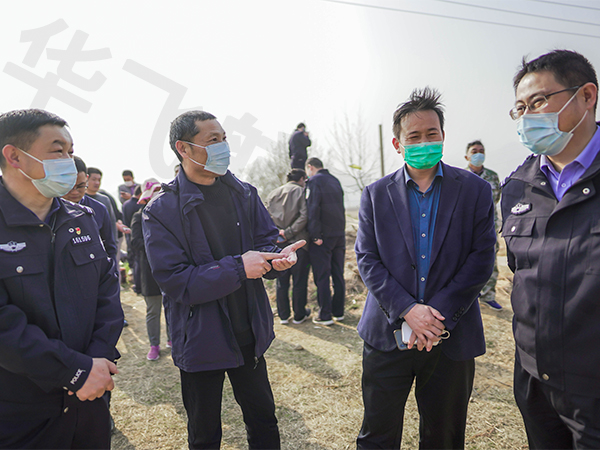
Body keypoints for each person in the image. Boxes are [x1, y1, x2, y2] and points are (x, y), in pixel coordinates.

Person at [142, 110, 305, 449]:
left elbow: (265, 242)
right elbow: (176, 281)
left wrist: (278, 258)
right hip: (200, 339)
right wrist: (239, 268)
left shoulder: (244, 193)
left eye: (224, 139)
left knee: (263, 419)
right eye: (212, 140)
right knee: (204, 433)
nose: (223, 147)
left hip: (248, 331)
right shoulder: (161, 210)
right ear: (183, 148)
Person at [355, 87, 496, 449]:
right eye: (413, 136)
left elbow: (481, 258)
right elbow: (367, 258)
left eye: (431, 134)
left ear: (443, 136)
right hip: (387, 336)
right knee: (377, 436)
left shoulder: (475, 190)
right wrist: (407, 310)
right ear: (397, 143)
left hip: (450, 336)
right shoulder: (375, 194)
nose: (423, 142)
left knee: (444, 437)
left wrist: (436, 315)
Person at [0, 109, 123, 448]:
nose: (69, 161)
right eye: (58, 151)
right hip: (21, 411)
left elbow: (107, 293)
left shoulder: (83, 218)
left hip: (91, 400)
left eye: (71, 151)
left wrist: (96, 364)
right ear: (14, 157)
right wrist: (73, 371)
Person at [502, 49, 600, 449]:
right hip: (535, 383)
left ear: (587, 96)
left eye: (539, 101)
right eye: (521, 108)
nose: (528, 116)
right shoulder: (517, 187)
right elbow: (520, 270)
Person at [130, 178, 170, 360]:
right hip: (150, 270)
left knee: (171, 307)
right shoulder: (138, 216)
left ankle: (173, 339)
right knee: (153, 310)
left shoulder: (168, 213)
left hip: (170, 267)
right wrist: (157, 245)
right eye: (155, 191)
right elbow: (136, 242)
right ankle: (154, 345)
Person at [265, 169, 311, 325]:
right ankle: (299, 315)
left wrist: (279, 233)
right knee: (299, 281)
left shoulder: (273, 193)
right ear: (302, 179)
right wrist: (289, 232)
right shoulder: (301, 192)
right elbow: (304, 216)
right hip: (298, 243)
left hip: (278, 244)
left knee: (281, 281)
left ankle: (283, 315)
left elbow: (266, 217)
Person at [305, 157, 345, 325]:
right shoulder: (335, 180)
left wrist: (315, 235)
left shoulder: (314, 181)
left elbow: (312, 208)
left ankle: (325, 314)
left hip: (323, 237)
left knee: (322, 276)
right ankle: (339, 311)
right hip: (339, 235)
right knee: (338, 274)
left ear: (310, 167)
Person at [465, 140, 503, 310]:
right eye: (474, 151)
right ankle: (468, 297)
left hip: (489, 225)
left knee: (490, 260)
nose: (478, 154)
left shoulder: (492, 176)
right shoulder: (461, 176)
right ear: (466, 156)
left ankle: (488, 296)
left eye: (481, 151)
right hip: (466, 227)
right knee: (465, 261)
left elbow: (496, 198)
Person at [63, 156, 118, 262]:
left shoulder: (99, 209)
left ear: (86, 179)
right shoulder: (49, 209)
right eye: (69, 187)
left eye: (80, 186)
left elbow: (110, 246)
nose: (75, 192)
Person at [122, 184, 143, 294]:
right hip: (139, 236)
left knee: (134, 261)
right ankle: (139, 286)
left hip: (129, 236)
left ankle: (136, 286)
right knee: (139, 262)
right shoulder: (139, 205)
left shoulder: (126, 204)